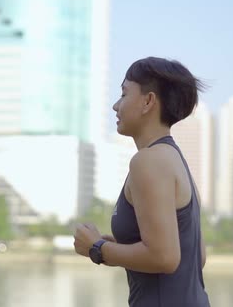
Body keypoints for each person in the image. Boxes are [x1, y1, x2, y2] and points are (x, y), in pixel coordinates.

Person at [73, 57, 211, 306]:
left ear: (148, 101)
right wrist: (119, 244)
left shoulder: (147, 161)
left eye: (124, 94)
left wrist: (97, 248)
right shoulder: (175, 161)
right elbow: (196, 256)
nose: (116, 106)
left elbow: (165, 257)